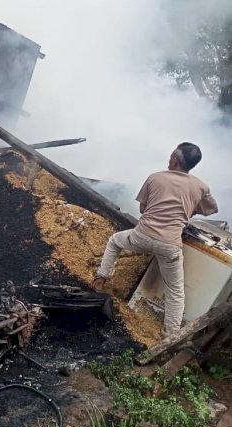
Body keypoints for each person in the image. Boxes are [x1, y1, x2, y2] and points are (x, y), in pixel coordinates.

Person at [93, 143, 218, 337]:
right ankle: (169, 336)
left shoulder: (155, 177)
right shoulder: (200, 187)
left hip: (141, 236)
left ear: (175, 160)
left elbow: (143, 209)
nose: (168, 159)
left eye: (170, 156)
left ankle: (100, 281)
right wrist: (188, 208)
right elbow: (211, 210)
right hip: (170, 245)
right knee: (175, 292)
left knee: (115, 241)